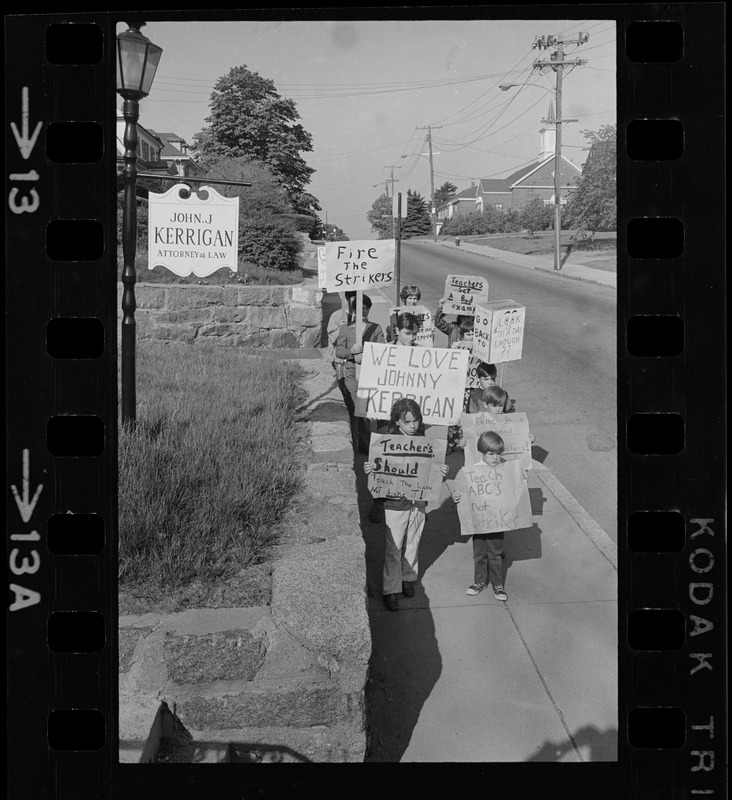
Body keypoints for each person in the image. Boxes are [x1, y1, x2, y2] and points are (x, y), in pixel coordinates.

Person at [364, 398, 449, 611]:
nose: (412, 426)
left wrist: (441, 473)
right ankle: (390, 588)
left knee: (413, 542)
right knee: (394, 547)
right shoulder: (387, 443)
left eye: (416, 421)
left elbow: (432, 473)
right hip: (395, 503)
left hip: (417, 502)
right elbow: (379, 471)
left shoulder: (425, 443)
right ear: (397, 422)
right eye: (407, 422)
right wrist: (370, 468)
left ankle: (406, 578)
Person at [452, 431, 525, 602]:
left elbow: (516, 487)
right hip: (479, 519)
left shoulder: (505, 469)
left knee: (495, 552)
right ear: (482, 452)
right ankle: (479, 581)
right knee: (479, 552)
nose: (495, 457)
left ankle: (497, 584)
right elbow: (462, 490)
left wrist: (522, 478)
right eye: (491, 454)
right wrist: (457, 496)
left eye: (498, 454)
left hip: (497, 520)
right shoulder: (473, 471)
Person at [368, 311, 421, 523]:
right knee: (386, 460)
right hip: (389, 418)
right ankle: (379, 501)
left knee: (411, 461)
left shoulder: (422, 354)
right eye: (408, 333)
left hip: (412, 418)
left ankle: (414, 502)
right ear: (397, 331)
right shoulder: (385, 352)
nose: (412, 338)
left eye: (415, 334)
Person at [334, 294, 385, 453]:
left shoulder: (375, 328)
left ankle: (364, 445)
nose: (363, 311)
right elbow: (339, 351)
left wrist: (368, 355)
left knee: (365, 410)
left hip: (369, 374)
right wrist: (351, 352)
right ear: (354, 310)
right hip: (351, 373)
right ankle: (354, 444)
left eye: (366, 308)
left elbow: (382, 351)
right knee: (354, 407)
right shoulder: (345, 328)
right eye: (359, 308)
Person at [326, 291, 357, 377]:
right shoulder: (336, 316)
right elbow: (332, 339)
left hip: (355, 358)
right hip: (340, 360)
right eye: (354, 298)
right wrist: (341, 327)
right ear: (347, 298)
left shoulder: (359, 315)